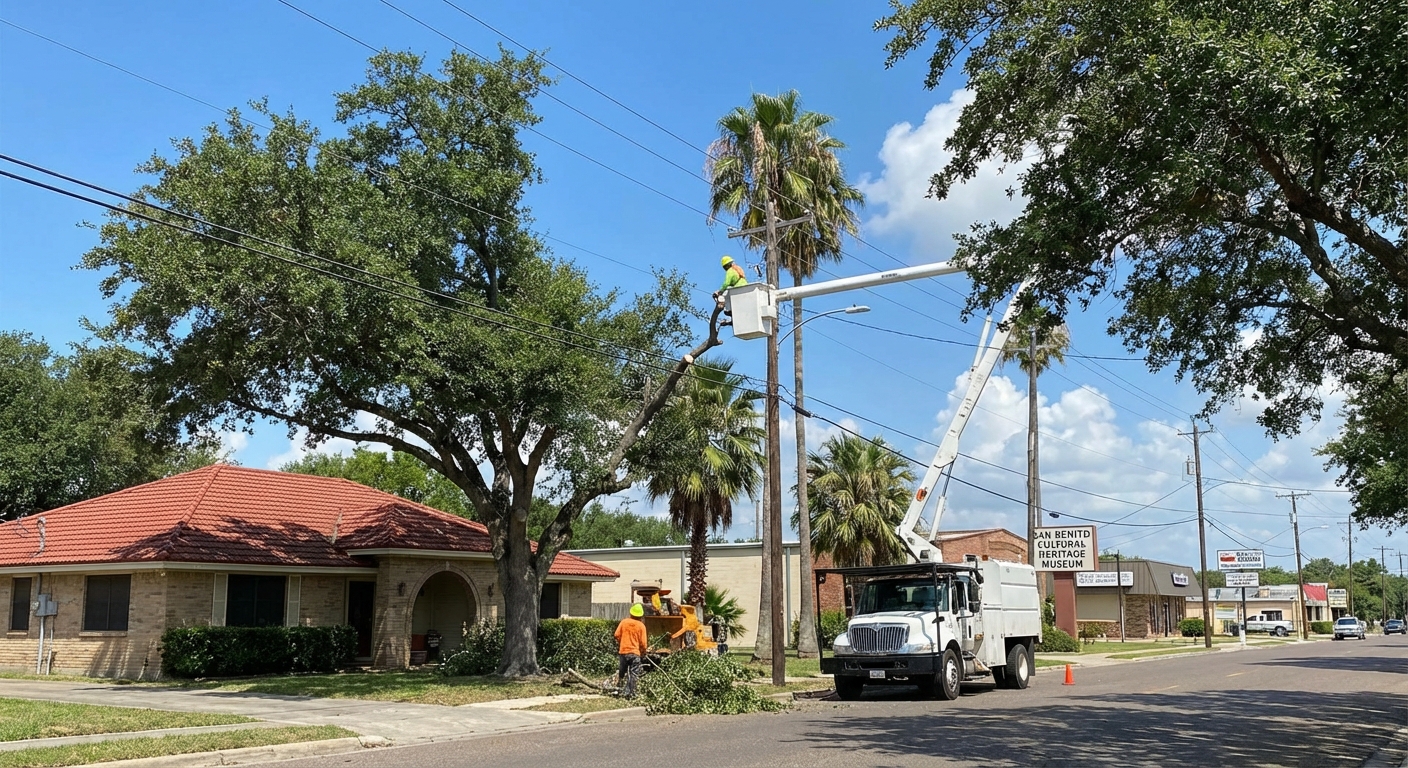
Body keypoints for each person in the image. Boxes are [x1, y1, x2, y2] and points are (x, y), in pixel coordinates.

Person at [614, 603, 647, 698]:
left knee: (622, 672)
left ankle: (618, 690)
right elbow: (643, 643)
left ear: (631, 613)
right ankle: (631, 693)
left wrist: (622, 641)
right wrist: (643, 652)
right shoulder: (641, 626)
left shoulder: (624, 622)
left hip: (623, 652)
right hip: (634, 653)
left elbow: (616, 635)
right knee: (634, 673)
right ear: (640, 616)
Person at [713, 255, 748, 325]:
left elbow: (726, 283)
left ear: (726, 266)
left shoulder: (730, 271)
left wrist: (719, 292)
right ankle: (733, 320)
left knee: (727, 308)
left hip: (738, 290)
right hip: (745, 289)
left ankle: (730, 315)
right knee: (735, 306)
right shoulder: (738, 269)